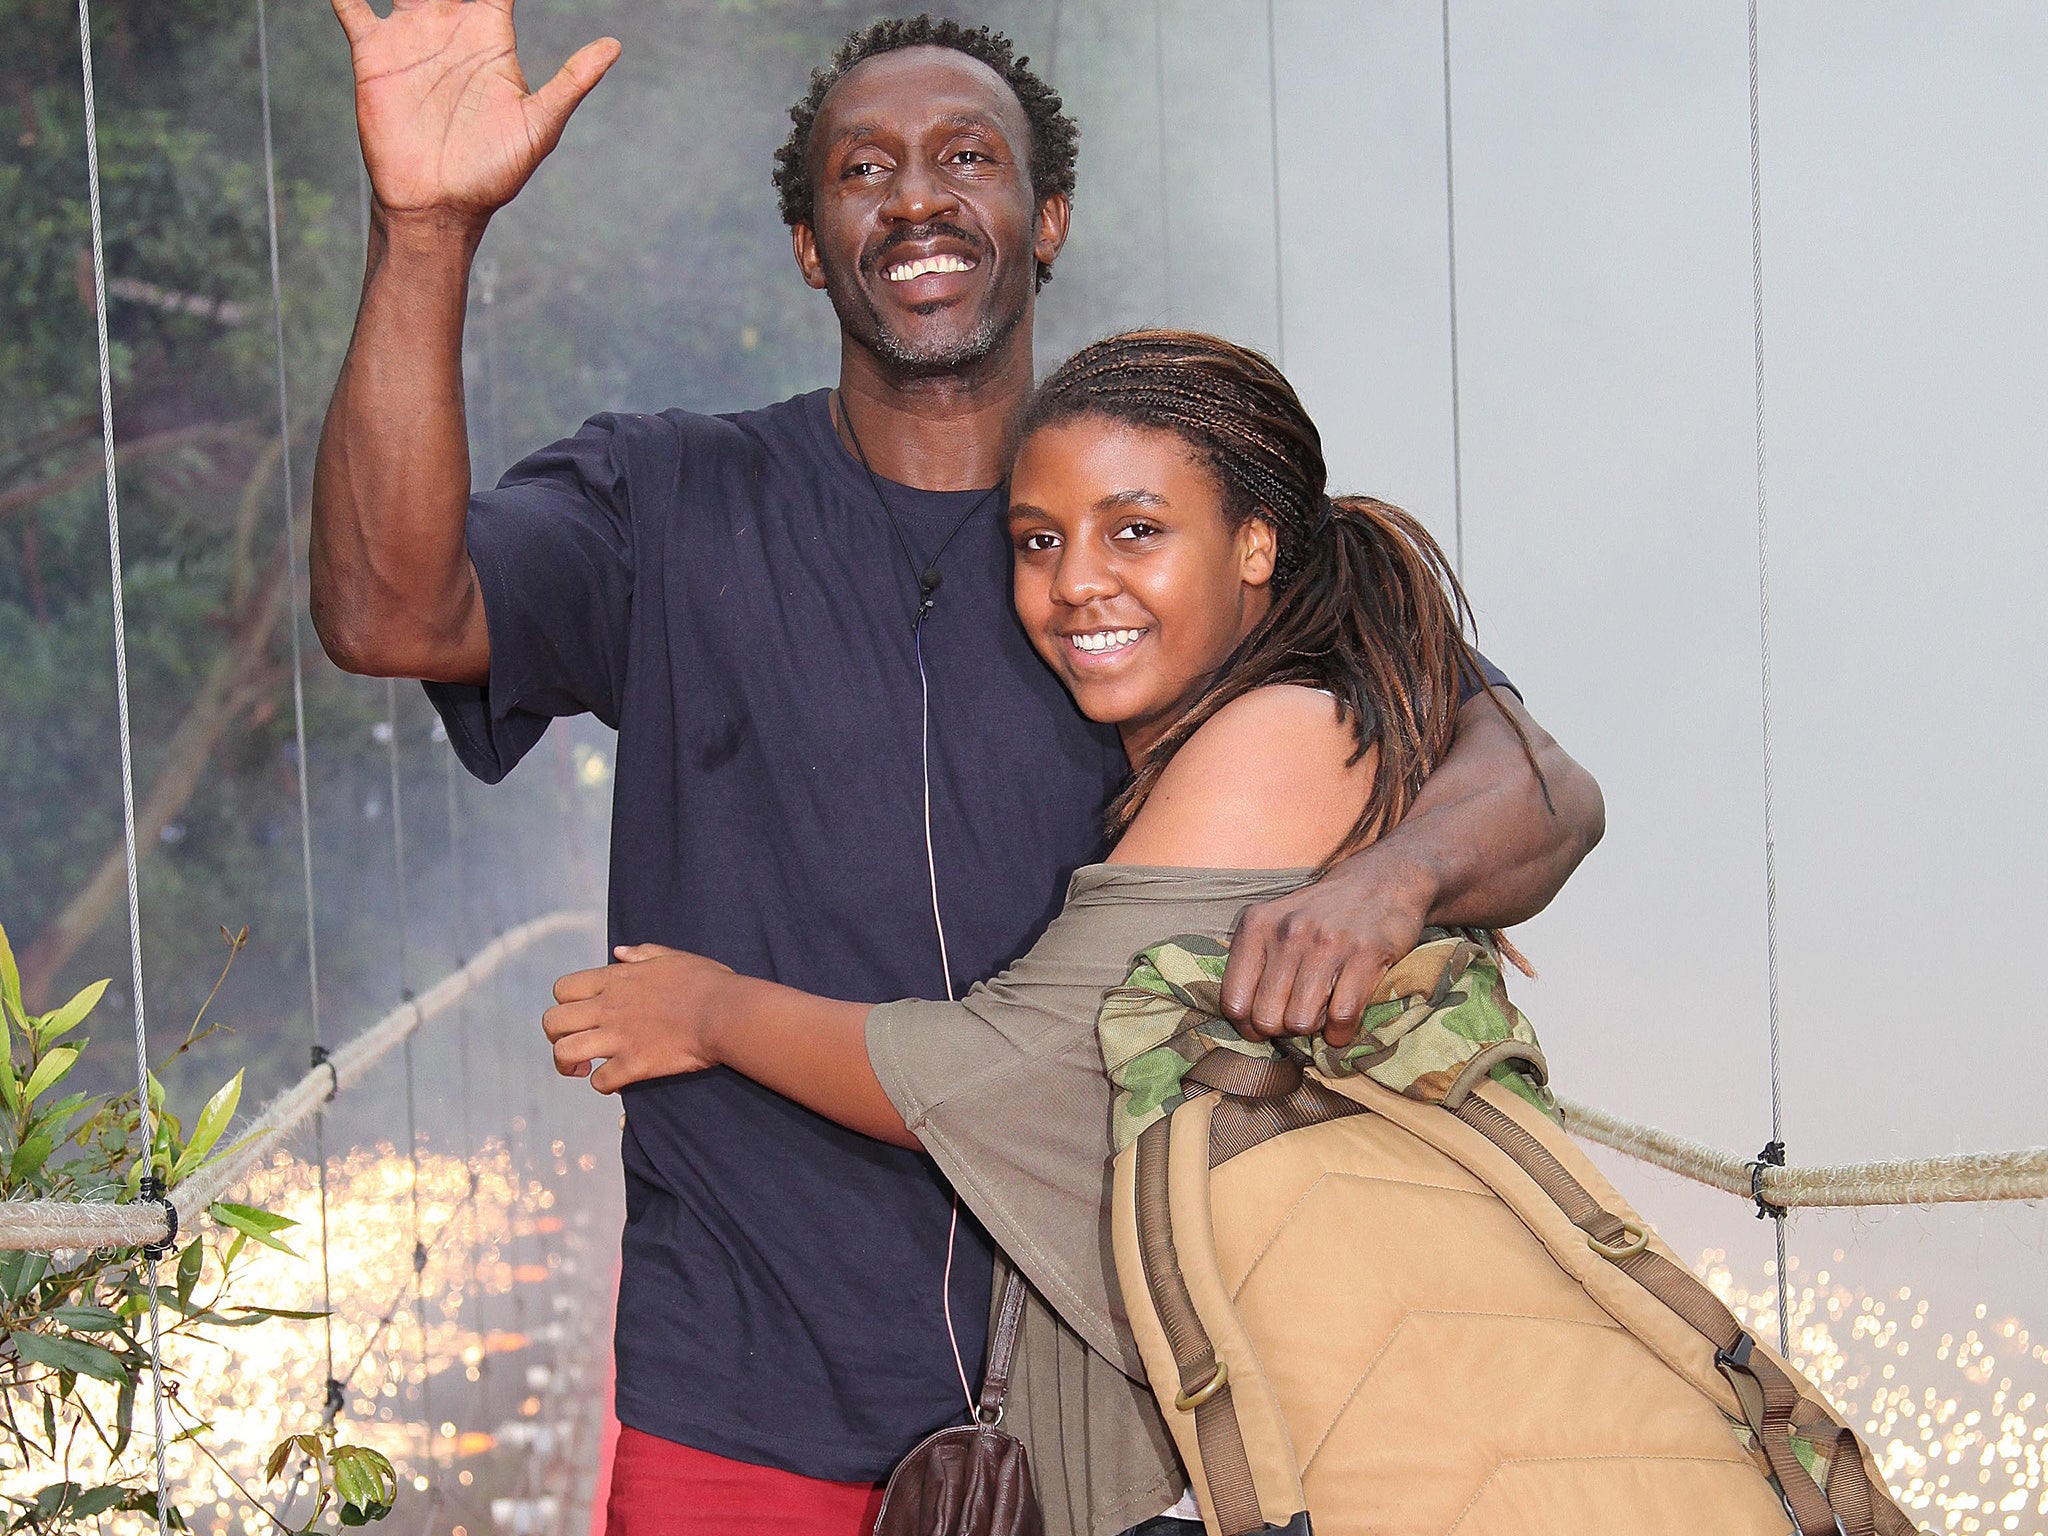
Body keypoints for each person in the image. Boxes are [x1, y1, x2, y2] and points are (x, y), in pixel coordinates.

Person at [310, 4, 1605, 1529]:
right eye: (863, 169)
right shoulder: (666, 497)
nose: (916, 197)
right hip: (742, 1387)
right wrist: (426, 230)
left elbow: (1533, 781)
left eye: (968, 158)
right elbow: (391, 613)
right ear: (810, 243)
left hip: (1127, 1405)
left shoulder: (1161, 544)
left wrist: (1388, 883)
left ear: (1043, 219)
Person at [543, 329, 1551, 1536]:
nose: (1075, 579)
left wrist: (706, 1009)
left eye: (1136, 531)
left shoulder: (1278, 736)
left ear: (1255, 544)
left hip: (1348, 1439)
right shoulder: (1299, 700)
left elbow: (1006, 1071)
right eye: (1037, 542)